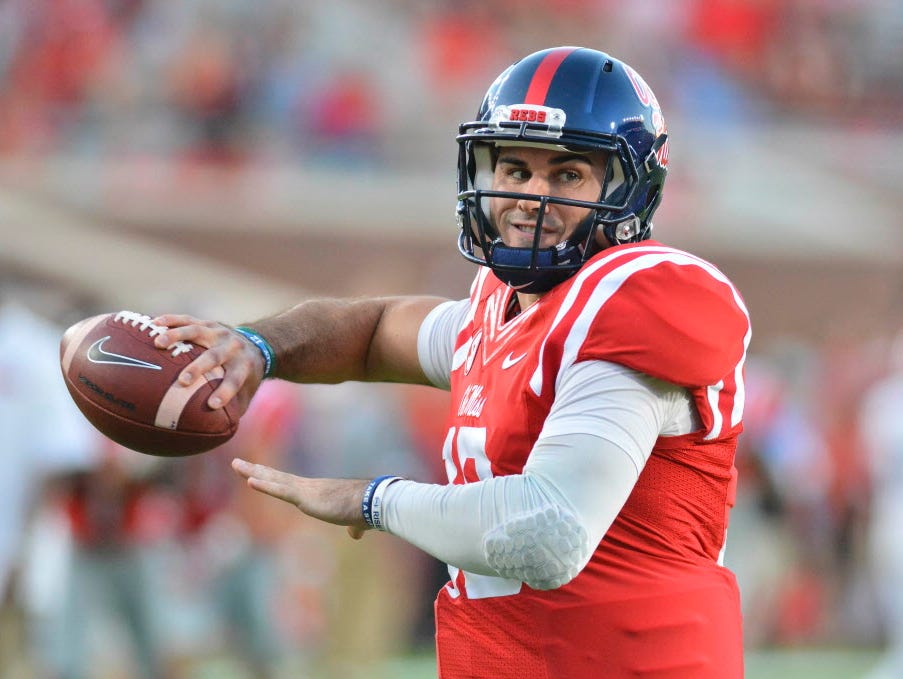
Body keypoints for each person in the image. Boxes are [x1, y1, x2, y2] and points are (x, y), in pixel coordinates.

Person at [152, 46, 751, 678]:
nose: (531, 198)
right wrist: (258, 347)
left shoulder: (633, 300)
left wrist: (372, 499)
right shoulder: (501, 308)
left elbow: (548, 534)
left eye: (568, 175)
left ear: (630, 190)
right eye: (516, 170)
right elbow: (375, 329)